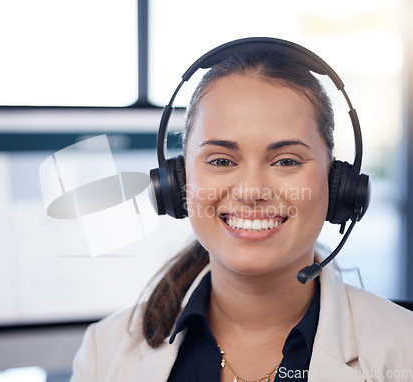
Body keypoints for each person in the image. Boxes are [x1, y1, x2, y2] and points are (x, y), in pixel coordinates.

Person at [70, 40, 413, 381]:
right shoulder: (105, 353)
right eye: (221, 160)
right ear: (177, 181)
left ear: (337, 182)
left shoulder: (404, 348)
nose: (251, 191)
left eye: (286, 161)